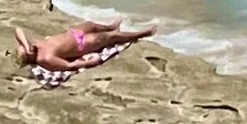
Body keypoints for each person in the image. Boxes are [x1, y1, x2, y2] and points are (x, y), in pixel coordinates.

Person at [14, 20, 156, 73]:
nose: (30, 45)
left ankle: (111, 26)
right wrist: (89, 62)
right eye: (28, 49)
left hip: (73, 33)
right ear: (30, 58)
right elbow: (69, 66)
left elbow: (18, 30)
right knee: (108, 38)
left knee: (92, 25)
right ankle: (141, 34)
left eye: (26, 45)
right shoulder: (46, 59)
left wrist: (26, 45)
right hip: (81, 44)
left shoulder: (35, 46)